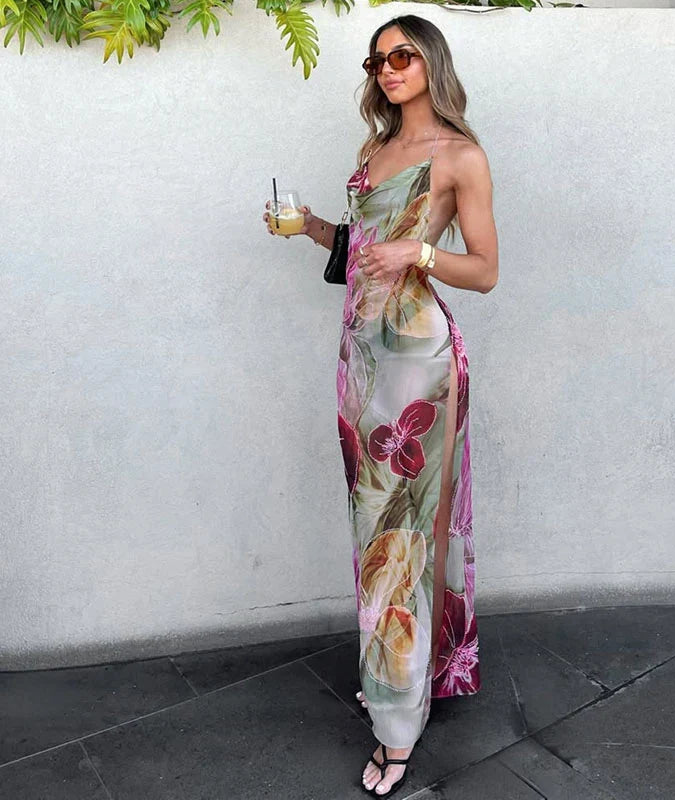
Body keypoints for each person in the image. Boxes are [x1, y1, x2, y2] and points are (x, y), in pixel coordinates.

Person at [263, 13, 498, 797]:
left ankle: (398, 725)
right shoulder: (374, 150)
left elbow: (485, 270)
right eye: (377, 60)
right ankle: (400, 670)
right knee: (375, 533)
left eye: (402, 55)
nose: (388, 69)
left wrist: (421, 252)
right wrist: (310, 228)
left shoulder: (460, 156)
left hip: (419, 366)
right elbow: (363, 250)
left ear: (431, 62)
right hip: (362, 361)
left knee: (402, 537)